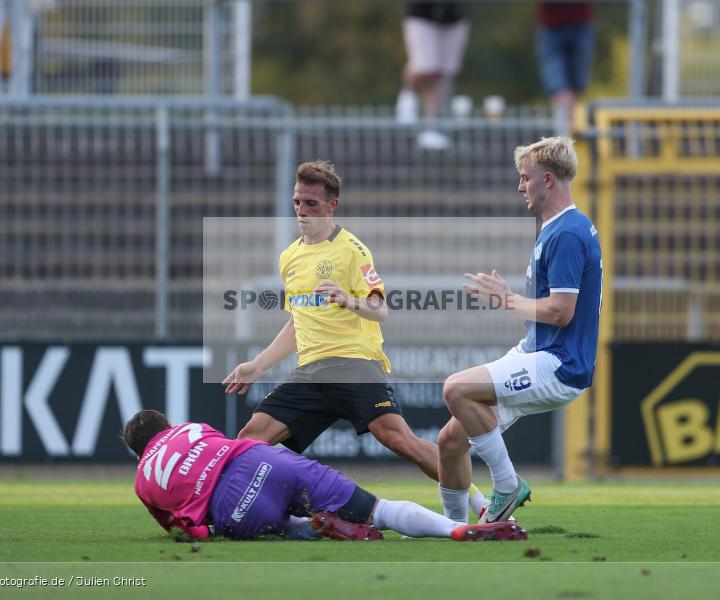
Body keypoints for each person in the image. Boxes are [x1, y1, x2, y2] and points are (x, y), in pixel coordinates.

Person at [223, 160, 488, 521]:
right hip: (310, 373)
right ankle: (244, 512)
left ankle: (481, 503)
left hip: (352, 365)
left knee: (400, 440)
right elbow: (298, 322)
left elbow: (380, 310)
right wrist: (257, 366)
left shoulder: (352, 250)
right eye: (297, 202)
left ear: (332, 205)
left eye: (311, 203)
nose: (302, 210)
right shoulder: (290, 256)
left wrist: (347, 300)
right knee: (250, 439)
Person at [437, 137, 601, 523]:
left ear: (548, 179)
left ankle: (508, 486)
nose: (520, 186)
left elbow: (561, 312)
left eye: (525, 177)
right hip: (538, 351)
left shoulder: (567, 233)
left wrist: (508, 300)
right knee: (450, 441)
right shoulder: (558, 228)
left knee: (455, 389)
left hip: (560, 364)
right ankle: (455, 528)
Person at [123, 409, 527, 542]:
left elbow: (186, 529)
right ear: (167, 425)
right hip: (264, 462)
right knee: (381, 510)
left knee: (281, 526)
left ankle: (313, 529)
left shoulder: (143, 481)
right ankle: (455, 529)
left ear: (139, 453)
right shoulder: (190, 428)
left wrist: (210, 530)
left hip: (233, 506)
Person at [395, 2, 470, 150]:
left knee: (440, 73)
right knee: (424, 65)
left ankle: (431, 127)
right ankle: (408, 96)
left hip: (454, 16)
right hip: (422, 14)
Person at [535, 1, 594, 135]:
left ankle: (567, 128)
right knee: (557, 85)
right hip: (551, 25)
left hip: (580, 23)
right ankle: (565, 128)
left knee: (577, 83)